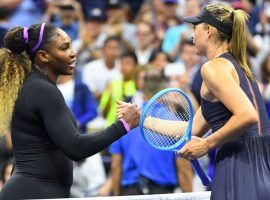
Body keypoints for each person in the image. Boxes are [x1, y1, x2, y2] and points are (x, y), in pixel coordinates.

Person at [119, 3, 270, 200]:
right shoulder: (239, 68)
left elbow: (248, 115)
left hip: (239, 167)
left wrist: (207, 144)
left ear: (209, 30)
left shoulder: (213, 68)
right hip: (261, 166)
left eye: (194, 28)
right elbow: (191, 130)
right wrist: (144, 120)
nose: (192, 35)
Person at [0, 23, 140, 200]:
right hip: (35, 193)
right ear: (44, 56)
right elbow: (75, 147)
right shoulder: (42, 89)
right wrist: (123, 125)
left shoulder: (36, 86)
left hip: (32, 191)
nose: (73, 52)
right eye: (64, 48)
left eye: (71, 45)